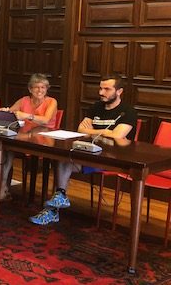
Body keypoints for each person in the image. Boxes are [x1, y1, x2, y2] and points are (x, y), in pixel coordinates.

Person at [29, 73, 137, 225]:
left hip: (111, 159)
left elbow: (117, 136)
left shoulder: (127, 112)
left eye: (107, 89)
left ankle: (54, 208)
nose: (101, 92)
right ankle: (58, 200)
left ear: (119, 91)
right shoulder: (96, 107)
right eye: (100, 88)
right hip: (88, 153)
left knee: (65, 160)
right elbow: (81, 129)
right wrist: (106, 132)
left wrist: (93, 131)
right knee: (63, 157)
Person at [0, 73, 58, 201]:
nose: (40, 90)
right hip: (24, 137)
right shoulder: (24, 100)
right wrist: (5, 111)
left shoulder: (51, 101)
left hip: (44, 141)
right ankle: (2, 188)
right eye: (36, 87)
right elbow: (11, 114)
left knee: (10, 146)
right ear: (30, 89)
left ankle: (4, 188)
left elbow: (45, 120)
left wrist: (27, 116)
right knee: (5, 149)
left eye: (43, 87)